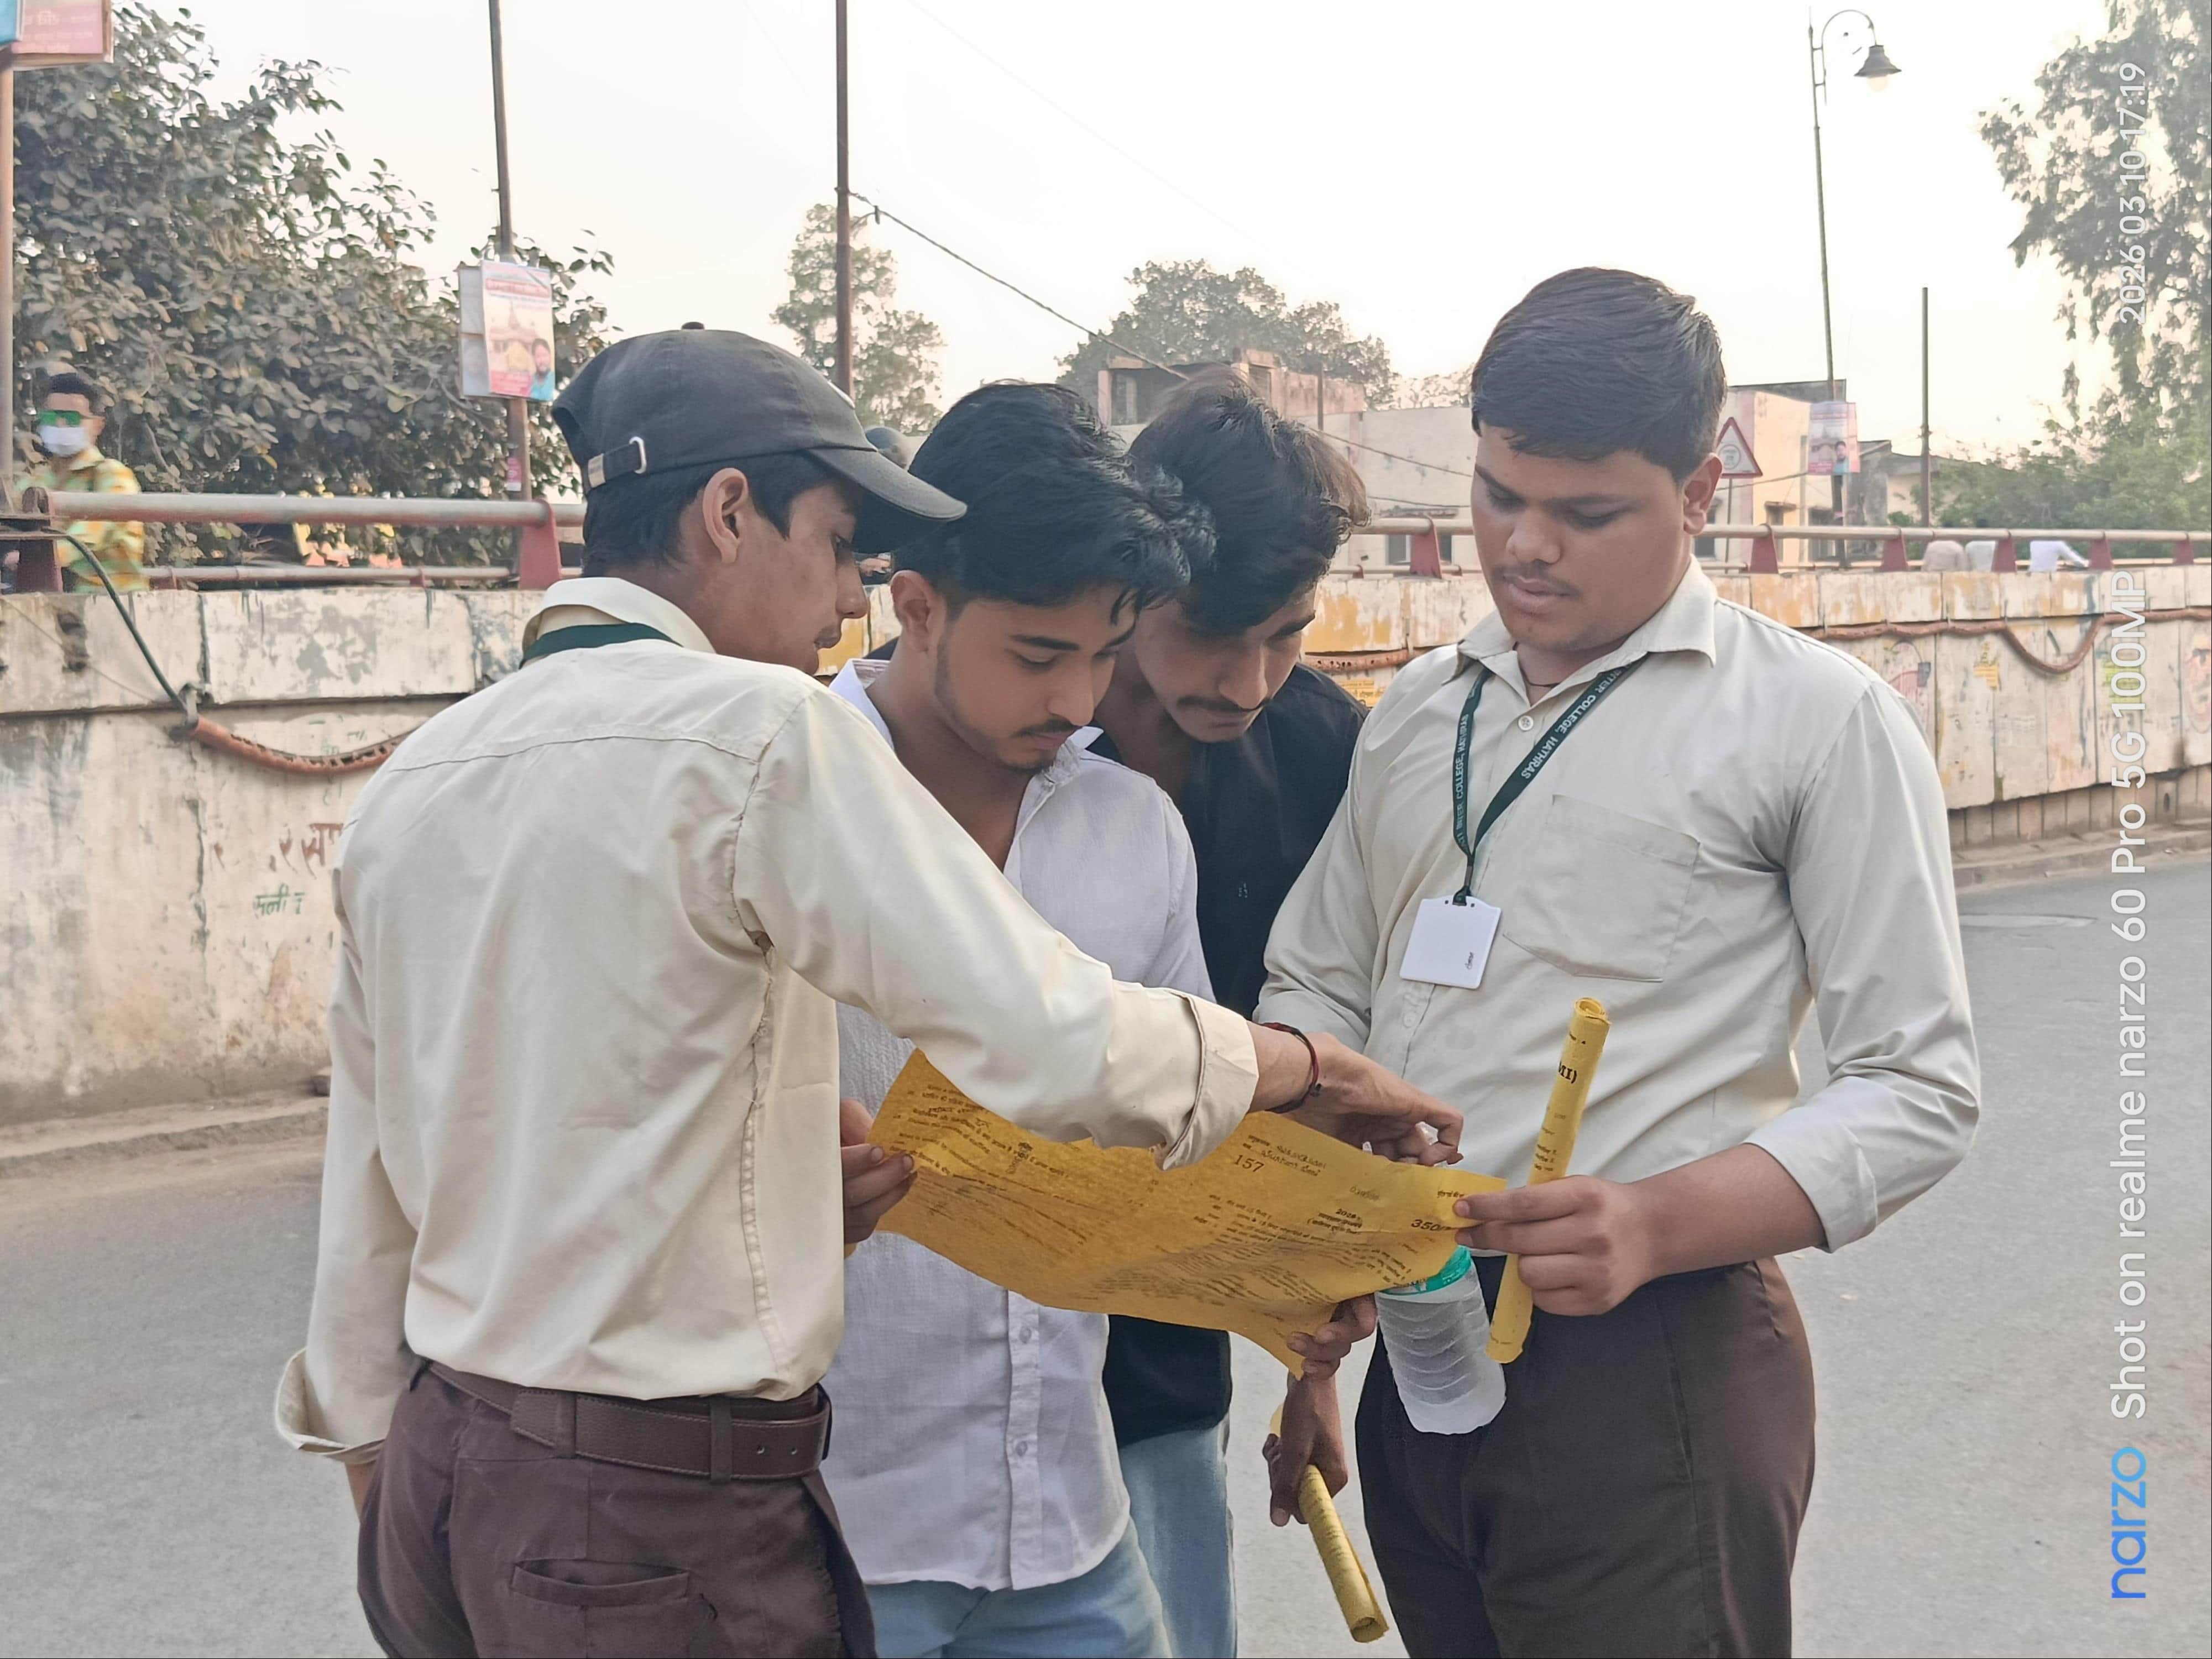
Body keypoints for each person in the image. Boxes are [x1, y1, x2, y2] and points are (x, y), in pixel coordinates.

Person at [275, 328, 1461, 1659]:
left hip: (471, 1475)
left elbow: (373, 1181)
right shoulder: (767, 735)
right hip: (676, 1498)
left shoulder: (421, 776)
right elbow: (1053, 1039)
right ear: (731, 514)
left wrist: (384, 1473)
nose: (845, 595)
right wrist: (1305, 1065)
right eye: (840, 541)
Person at [1257, 269, 1981, 1657]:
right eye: (1494, 495)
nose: (1523, 546)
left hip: (1651, 1366)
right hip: (1419, 1336)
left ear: (1699, 489)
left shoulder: (1812, 723)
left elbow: (1916, 1083)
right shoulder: (1420, 706)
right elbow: (1318, 981)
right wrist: (1321, 1214)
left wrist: (1654, 1220)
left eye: (1583, 513)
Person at [824, 382, 1369, 1659]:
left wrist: (1302, 1319)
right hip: (849, 1472)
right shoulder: (788, 790)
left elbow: (1191, 1110)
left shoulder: (1177, 813)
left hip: (1092, 1448)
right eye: (1040, 655)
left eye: (1284, 637)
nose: (1077, 697)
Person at [1084, 374, 1372, 1657]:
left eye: (1287, 634)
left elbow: (1332, 1072)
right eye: (1213, 630)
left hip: (1169, 1323)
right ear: (1137, 576)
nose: (1247, 678)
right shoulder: (997, 724)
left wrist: (1311, 1370)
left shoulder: (1324, 757)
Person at [14, 369, 147, 591]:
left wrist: (39, 558)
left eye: (72, 418)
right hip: (48, 604)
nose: (61, 425)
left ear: (98, 425)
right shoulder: (34, 481)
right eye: (52, 416)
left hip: (111, 607)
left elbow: (94, 530)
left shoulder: (113, 475)